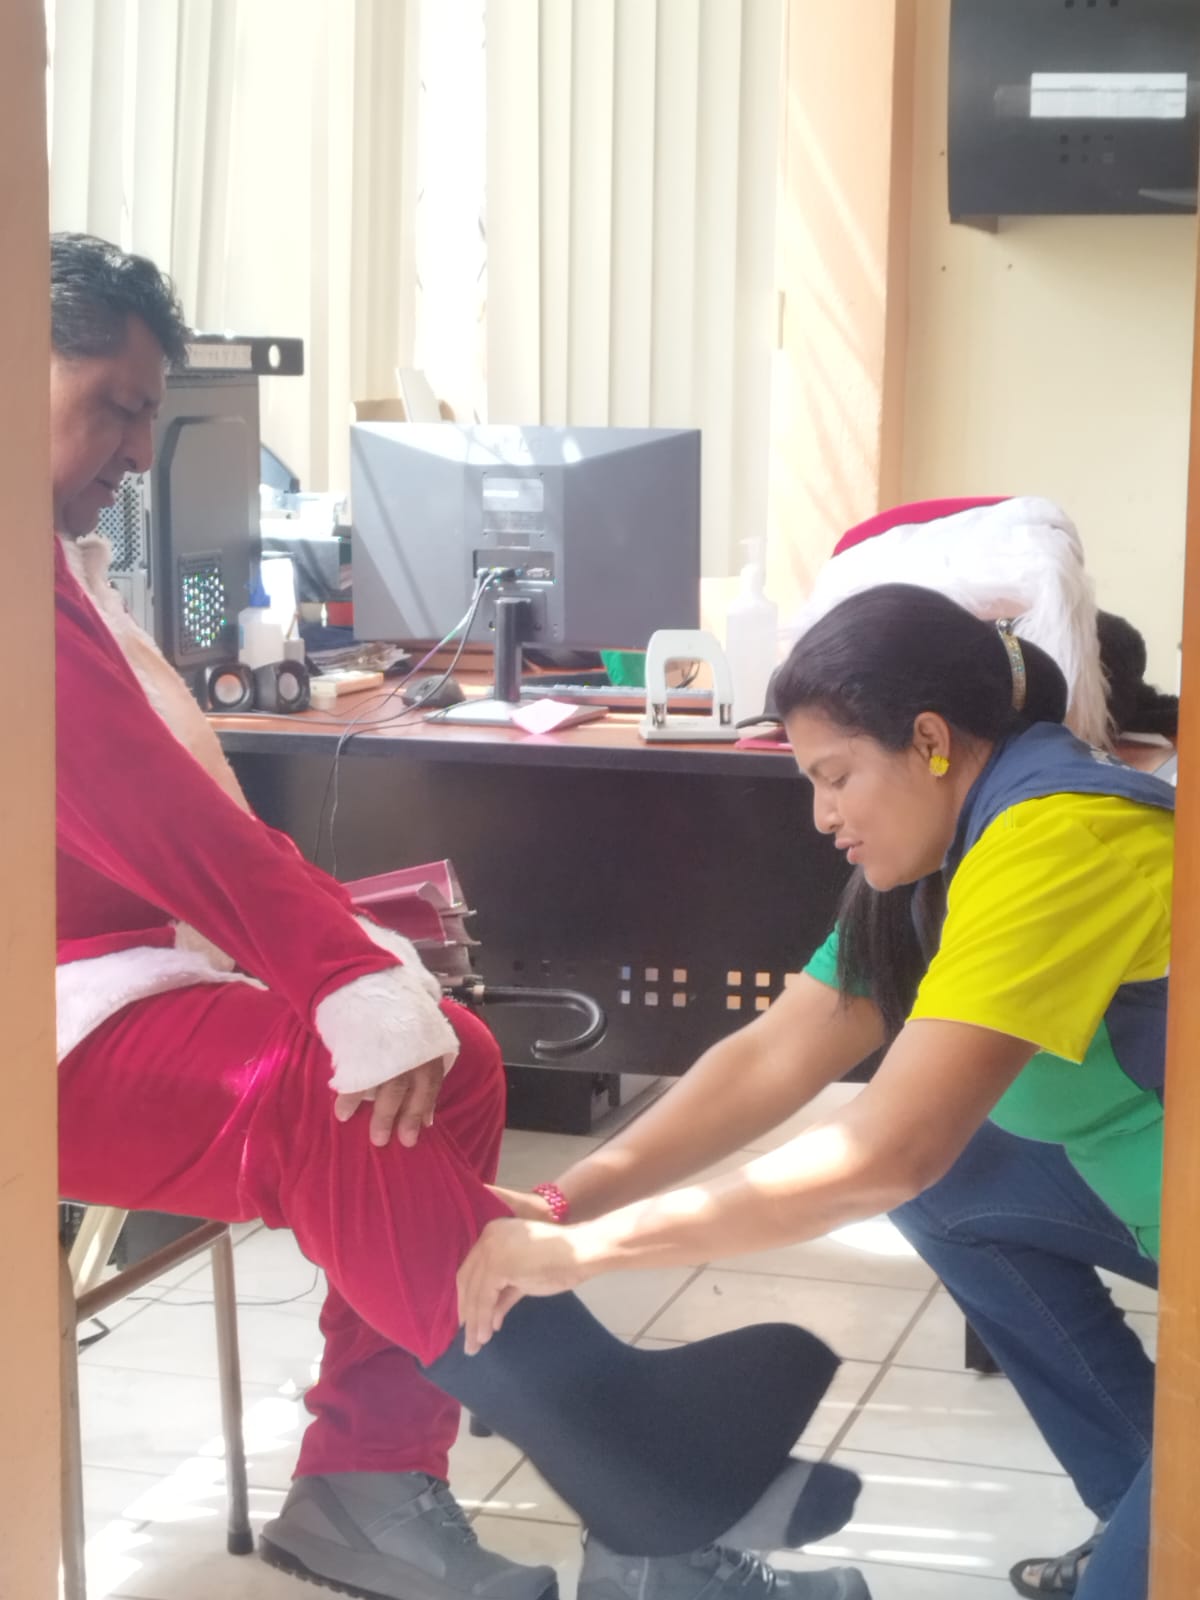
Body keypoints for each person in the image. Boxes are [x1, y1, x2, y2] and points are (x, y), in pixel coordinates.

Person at [50, 233, 870, 1600]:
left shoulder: (52, 564)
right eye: (116, 408)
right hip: (54, 1016)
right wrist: (339, 977)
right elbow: (149, 814)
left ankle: (371, 1478)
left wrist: (358, 975)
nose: (140, 453)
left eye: (149, 415)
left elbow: (174, 817)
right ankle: (638, 1475)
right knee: (337, 1084)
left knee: (455, 1062)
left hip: (107, 977)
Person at [458, 581, 1174, 1600]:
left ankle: (1162, 1535)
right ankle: (1142, 1490)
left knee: (932, 1163)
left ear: (930, 739)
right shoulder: (942, 858)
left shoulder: (1058, 842)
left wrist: (588, 1251)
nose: (821, 814)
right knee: (962, 1183)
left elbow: (886, 1152)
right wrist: (564, 1200)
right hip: (1159, 1205)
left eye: (835, 776)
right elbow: (772, 1054)